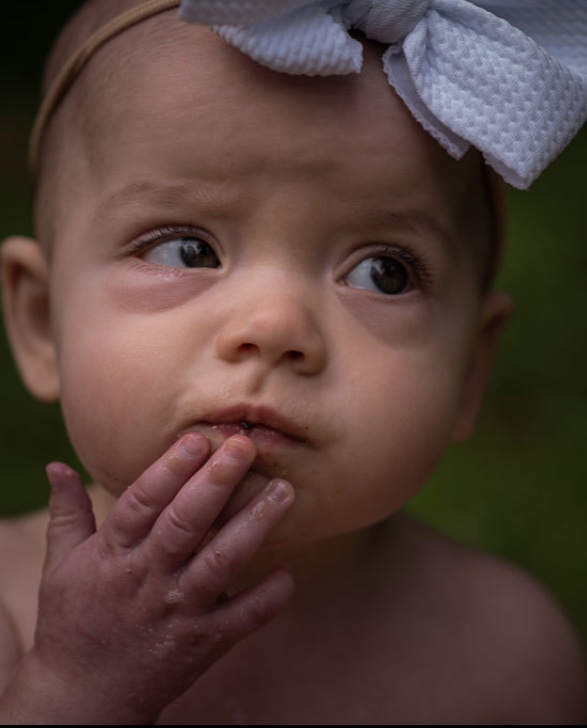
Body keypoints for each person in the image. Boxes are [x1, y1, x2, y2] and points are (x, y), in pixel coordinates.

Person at [0, 0, 586, 723]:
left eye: (383, 273)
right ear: (39, 322)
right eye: (186, 250)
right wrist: (69, 690)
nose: (274, 326)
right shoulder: (6, 617)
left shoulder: (507, 657)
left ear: (469, 369)